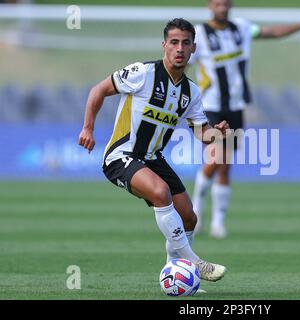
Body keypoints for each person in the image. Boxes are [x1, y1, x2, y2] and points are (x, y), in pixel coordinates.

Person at [78, 18, 228, 282]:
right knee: (161, 192)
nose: (179, 48)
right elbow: (98, 90)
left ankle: (174, 276)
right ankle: (194, 263)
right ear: (164, 45)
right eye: (174, 42)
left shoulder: (190, 92)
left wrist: (216, 133)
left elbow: (201, 133)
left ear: (193, 48)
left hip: (152, 159)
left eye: (185, 43)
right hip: (121, 156)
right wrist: (88, 128)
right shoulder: (142, 73)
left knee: (189, 218)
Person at [190, 0, 300, 238]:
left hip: (236, 106)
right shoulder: (199, 35)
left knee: (225, 165)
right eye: (218, 3)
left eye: (226, 3)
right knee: (216, 156)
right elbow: (181, 61)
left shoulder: (241, 28)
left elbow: (272, 32)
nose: (223, 7)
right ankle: (197, 210)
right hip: (210, 106)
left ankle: (218, 222)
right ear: (209, 5)